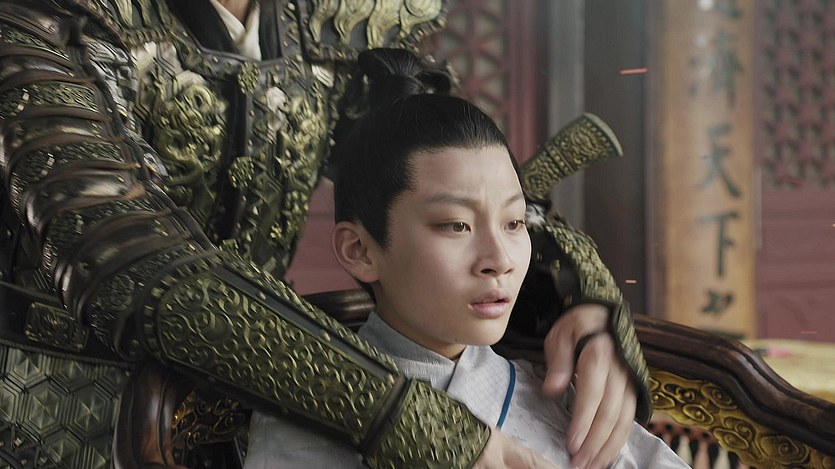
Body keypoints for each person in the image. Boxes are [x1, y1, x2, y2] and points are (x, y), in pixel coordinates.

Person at [0, 1, 647, 467]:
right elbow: (121, 252)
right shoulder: (51, 16)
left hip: (281, 393)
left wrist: (581, 301)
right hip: (58, 407)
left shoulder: (338, 17)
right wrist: (412, 420)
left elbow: (435, 167)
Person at [245, 48, 686, 469]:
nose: (499, 259)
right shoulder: (309, 418)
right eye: (456, 225)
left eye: (514, 223)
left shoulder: (559, 392)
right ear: (359, 250)